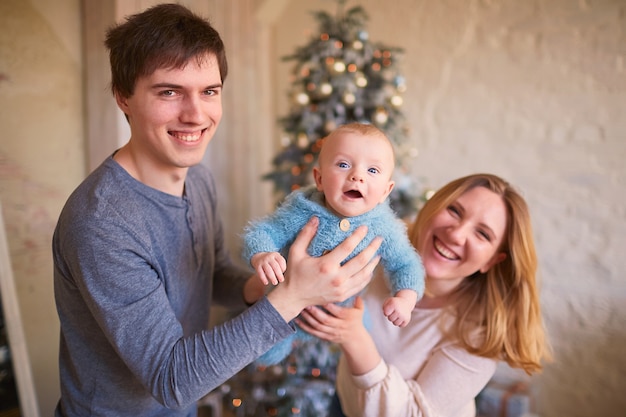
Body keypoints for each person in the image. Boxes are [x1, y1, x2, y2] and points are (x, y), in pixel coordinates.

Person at [51, 4, 381, 417]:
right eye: (169, 92)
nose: (195, 115)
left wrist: (262, 288)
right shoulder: (101, 222)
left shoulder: (198, 178)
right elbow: (172, 379)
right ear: (124, 97)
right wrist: (293, 297)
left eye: (209, 91)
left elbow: (210, 271)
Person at [298, 173, 552, 417]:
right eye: (454, 211)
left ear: (492, 261)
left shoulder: (481, 332)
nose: (456, 234)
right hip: (343, 406)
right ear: (433, 206)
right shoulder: (380, 245)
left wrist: (355, 339)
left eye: (482, 234)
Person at [242, 123, 424, 365]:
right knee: (266, 354)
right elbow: (263, 231)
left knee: (364, 338)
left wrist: (405, 299)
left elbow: (407, 264)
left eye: (372, 170)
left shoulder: (385, 227)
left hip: (342, 313)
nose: (356, 176)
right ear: (319, 178)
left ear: (385, 192)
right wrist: (262, 254)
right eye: (343, 165)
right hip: (287, 306)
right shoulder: (303, 209)